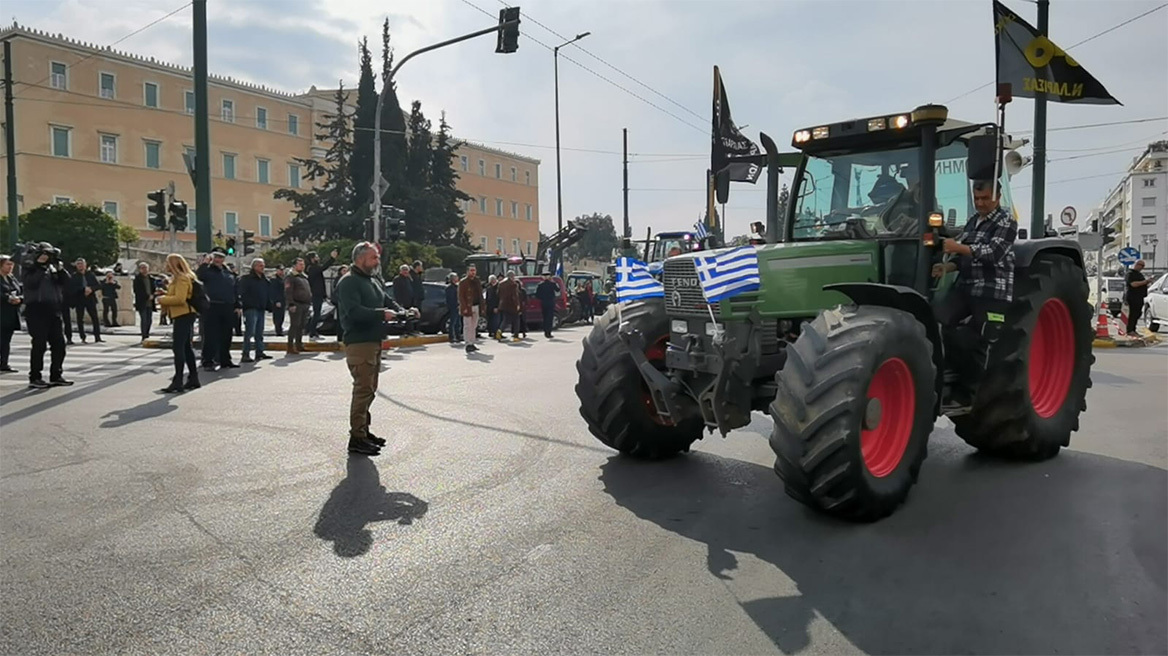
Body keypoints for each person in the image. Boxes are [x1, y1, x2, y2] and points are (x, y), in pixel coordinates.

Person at [932, 180, 1017, 402]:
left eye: (985, 199)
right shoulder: (972, 222)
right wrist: (946, 267)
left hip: (991, 292)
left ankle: (971, 395)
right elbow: (964, 259)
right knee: (937, 322)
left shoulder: (1006, 222)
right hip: (966, 287)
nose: (980, 203)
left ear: (997, 197)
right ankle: (947, 380)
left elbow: (993, 253)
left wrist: (957, 247)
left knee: (974, 340)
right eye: (976, 199)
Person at [334, 242, 397, 456]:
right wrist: (382, 314)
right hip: (359, 342)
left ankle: (364, 430)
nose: (377, 261)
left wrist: (403, 311)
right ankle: (356, 438)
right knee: (362, 390)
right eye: (374, 257)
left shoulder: (371, 280)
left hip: (374, 341)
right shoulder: (349, 282)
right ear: (361, 259)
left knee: (369, 390)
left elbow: (386, 300)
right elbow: (354, 312)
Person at [21, 243, 72, 388]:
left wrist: (59, 268)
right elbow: (31, 283)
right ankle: (35, 377)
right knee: (39, 345)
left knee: (59, 344)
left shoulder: (52, 268)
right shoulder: (29, 268)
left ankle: (56, 374)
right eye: (43, 254)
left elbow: (66, 282)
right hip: (36, 310)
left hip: (54, 310)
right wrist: (40, 266)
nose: (46, 257)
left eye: (48, 254)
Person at [155, 253, 200, 393]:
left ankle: (178, 380)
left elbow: (180, 299)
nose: (166, 266)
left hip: (183, 314)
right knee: (186, 347)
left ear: (174, 265)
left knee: (178, 347)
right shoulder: (180, 278)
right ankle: (193, 378)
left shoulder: (182, 278)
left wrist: (162, 299)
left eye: (168, 263)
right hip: (183, 314)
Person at [197, 250, 240, 370]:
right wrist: (205, 263)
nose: (218, 260)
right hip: (212, 306)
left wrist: (237, 305)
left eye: (221, 257)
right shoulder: (207, 270)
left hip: (227, 306)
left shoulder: (228, 272)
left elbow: (234, 289)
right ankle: (208, 361)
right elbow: (199, 276)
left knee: (226, 335)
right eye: (216, 257)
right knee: (211, 335)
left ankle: (225, 360)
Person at [237, 257, 271, 363]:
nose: (262, 267)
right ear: (254, 266)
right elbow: (241, 292)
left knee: (259, 332)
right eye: (260, 265)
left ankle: (259, 351)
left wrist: (269, 305)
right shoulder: (246, 279)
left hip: (261, 308)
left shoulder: (264, 280)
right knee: (249, 332)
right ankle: (246, 353)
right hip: (251, 308)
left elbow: (267, 293)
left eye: (263, 265)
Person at [306, 249, 337, 339]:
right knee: (316, 314)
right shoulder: (312, 268)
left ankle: (313, 331)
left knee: (317, 313)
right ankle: (312, 332)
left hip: (319, 295)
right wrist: (332, 258)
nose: (318, 258)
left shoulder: (314, 268)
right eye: (316, 257)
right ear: (312, 259)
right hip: (316, 295)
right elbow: (324, 267)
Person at [70, 258, 103, 343]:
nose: (80, 266)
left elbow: (98, 285)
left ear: (85, 265)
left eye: (82, 264)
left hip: (90, 299)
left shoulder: (90, 275)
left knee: (95, 318)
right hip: (80, 299)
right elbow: (72, 288)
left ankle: (97, 336)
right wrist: (83, 290)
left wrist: (91, 289)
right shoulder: (74, 276)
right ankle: (83, 337)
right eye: (78, 264)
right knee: (80, 319)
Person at [285, 257, 312, 354]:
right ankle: (290, 346)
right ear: (294, 266)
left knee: (301, 325)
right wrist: (291, 304)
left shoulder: (303, 276)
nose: (302, 266)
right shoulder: (291, 276)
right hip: (296, 303)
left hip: (305, 304)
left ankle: (299, 344)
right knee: (294, 325)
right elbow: (288, 291)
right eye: (300, 264)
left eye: (303, 264)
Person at [1, 255, 22, 373]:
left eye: (11, 265)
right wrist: (6, 298)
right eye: (7, 264)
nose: (10, 267)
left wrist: (19, 299)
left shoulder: (11, 278)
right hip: (1, 311)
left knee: (6, 340)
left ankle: (4, 362)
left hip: (11, 313)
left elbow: (19, 290)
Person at [458, 264, 483, 353]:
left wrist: (482, 306)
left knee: (474, 325)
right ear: (467, 272)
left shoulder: (477, 281)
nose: (473, 272)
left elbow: (480, 294)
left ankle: (472, 342)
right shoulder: (463, 282)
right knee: (467, 326)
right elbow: (461, 296)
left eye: (474, 270)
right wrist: (464, 307)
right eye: (471, 271)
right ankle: (467, 343)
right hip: (468, 306)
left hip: (476, 306)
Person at [132, 262, 156, 343]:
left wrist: (153, 295)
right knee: (144, 319)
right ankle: (144, 336)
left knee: (149, 320)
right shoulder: (137, 279)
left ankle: (147, 334)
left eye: (145, 268)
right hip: (142, 302)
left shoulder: (151, 279)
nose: (144, 270)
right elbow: (137, 291)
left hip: (150, 302)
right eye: (142, 268)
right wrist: (147, 296)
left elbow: (154, 289)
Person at [1125, 259, 1150, 334]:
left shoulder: (1139, 274)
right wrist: (1145, 282)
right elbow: (1133, 284)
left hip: (1139, 297)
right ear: (1136, 265)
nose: (1142, 267)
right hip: (1133, 297)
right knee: (1132, 314)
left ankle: (1133, 329)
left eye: (1143, 266)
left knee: (1137, 314)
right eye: (1141, 265)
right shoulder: (1130, 274)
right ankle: (1129, 330)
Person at [497, 270, 521, 342]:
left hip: (503, 305)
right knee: (516, 320)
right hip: (512, 305)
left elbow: (498, 294)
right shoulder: (513, 284)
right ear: (512, 276)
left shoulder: (501, 284)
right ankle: (516, 336)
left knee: (505, 320)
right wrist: (517, 304)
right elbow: (514, 296)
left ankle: (500, 330)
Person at [536, 272, 559, 339]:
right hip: (550, 302)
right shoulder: (552, 284)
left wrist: (542, 298)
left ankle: (546, 331)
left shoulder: (540, 285)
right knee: (550, 317)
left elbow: (537, 295)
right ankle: (549, 332)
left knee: (545, 317)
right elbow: (558, 290)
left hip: (543, 303)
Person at [333, 265, 350, 343]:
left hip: (347, 302)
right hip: (340, 302)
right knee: (340, 321)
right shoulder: (338, 280)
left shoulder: (349, 279)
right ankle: (340, 337)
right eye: (343, 270)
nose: (345, 272)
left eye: (346, 270)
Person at [445, 272, 462, 343]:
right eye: (455, 277)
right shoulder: (449, 288)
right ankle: (451, 337)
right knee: (453, 322)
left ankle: (458, 336)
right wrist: (455, 305)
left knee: (458, 323)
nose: (457, 278)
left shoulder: (457, 287)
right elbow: (451, 299)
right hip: (453, 307)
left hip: (458, 307)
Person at [269, 266, 286, 337]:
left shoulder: (283, 279)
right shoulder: (274, 279)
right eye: (280, 270)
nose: (282, 272)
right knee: (277, 316)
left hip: (283, 300)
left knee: (282, 316)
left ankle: (280, 328)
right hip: (277, 301)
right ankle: (278, 330)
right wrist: (276, 301)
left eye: (283, 270)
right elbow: (273, 291)